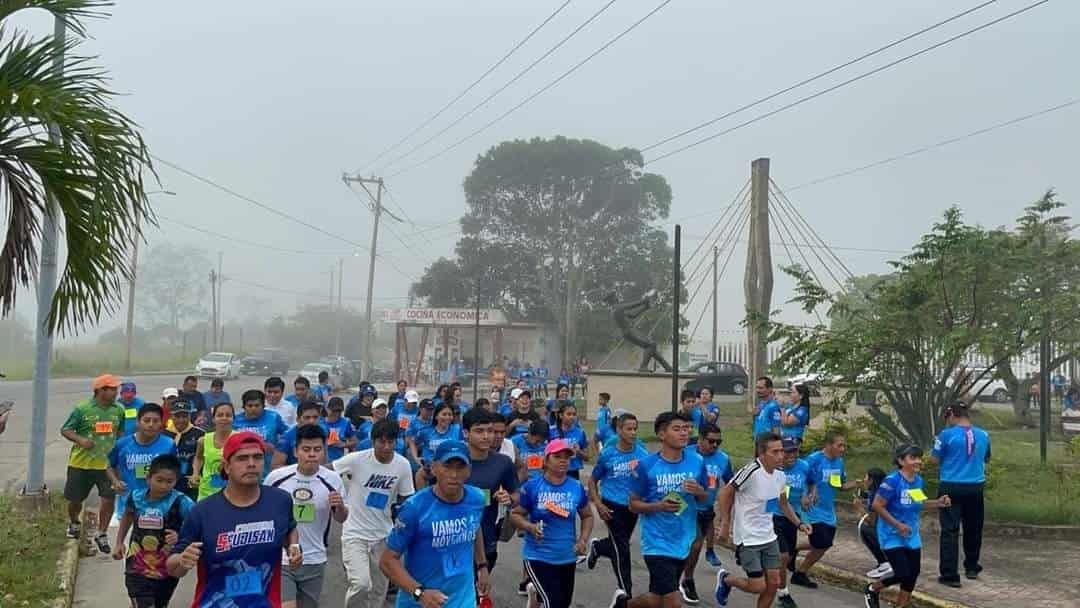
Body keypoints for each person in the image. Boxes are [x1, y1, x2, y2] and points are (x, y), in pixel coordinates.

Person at [167, 432, 302, 606]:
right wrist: (182, 560)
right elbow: (172, 568)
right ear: (226, 466)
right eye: (242, 458)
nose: (251, 464)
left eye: (258, 457)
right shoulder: (202, 512)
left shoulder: (280, 501)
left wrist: (294, 546)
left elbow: (290, 528)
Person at [608, 412, 708, 608]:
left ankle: (623, 605)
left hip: (684, 538)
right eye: (677, 429)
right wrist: (659, 506)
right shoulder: (646, 466)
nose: (684, 433)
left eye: (686, 428)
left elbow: (705, 497)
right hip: (656, 541)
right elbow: (633, 505)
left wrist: (699, 491)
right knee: (673, 601)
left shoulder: (697, 461)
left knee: (656, 599)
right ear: (662, 435)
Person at [379, 440, 491, 608]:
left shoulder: (477, 497)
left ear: (469, 471)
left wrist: (482, 566)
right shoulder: (414, 508)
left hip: (463, 599)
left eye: (460, 467)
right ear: (434, 468)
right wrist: (420, 593)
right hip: (420, 602)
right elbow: (387, 561)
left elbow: (475, 528)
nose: (454, 475)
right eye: (447, 466)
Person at [713, 432, 812, 607]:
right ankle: (726, 579)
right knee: (758, 586)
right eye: (775, 452)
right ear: (761, 453)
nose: (781, 456)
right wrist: (725, 523)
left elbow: (783, 504)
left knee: (773, 584)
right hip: (748, 537)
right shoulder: (751, 471)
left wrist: (799, 523)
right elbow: (725, 493)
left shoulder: (780, 475)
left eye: (782, 451)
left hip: (769, 536)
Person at [334, 418, 415, 608]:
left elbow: (407, 500)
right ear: (373, 441)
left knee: (379, 589)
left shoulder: (402, 465)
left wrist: (404, 531)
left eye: (391, 442)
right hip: (355, 533)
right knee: (362, 584)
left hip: (383, 535)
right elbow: (329, 471)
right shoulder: (357, 460)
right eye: (382, 441)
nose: (386, 447)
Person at [266, 424, 348, 608]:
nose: (312, 454)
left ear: (324, 451)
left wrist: (340, 506)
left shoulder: (333, 480)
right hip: (282, 558)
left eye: (317, 449)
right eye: (306, 449)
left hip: (315, 558)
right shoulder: (276, 478)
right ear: (296, 451)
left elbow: (341, 518)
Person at [863, 445, 952, 608]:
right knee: (902, 572)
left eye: (919, 457)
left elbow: (918, 503)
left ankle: (901, 605)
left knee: (913, 573)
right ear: (901, 461)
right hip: (891, 534)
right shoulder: (892, 481)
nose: (918, 461)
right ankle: (873, 588)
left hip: (911, 534)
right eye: (913, 458)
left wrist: (938, 503)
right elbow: (877, 505)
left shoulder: (918, 481)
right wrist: (897, 525)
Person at [511, 438, 594, 608]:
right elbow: (516, 515)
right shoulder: (532, 487)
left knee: (563, 603)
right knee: (553, 603)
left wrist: (583, 540)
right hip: (538, 556)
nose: (563, 460)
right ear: (546, 460)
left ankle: (536, 599)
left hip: (566, 557)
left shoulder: (576, 487)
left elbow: (587, 516)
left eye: (567, 457)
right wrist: (530, 527)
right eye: (557, 456)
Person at [111, 454, 195, 608]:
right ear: (148, 478)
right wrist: (119, 543)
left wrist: (180, 536)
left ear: (176, 481)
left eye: (169, 482)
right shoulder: (135, 497)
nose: (164, 486)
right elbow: (127, 516)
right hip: (136, 564)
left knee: (159, 604)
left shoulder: (182, 502)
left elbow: (196, 525)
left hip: (167, 567)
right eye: (159, 480)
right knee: (143, 602)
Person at [587, 412, 649, 597]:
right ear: (619, 430)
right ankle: (626, 591)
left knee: (618, 543)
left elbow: (648, 480)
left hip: (632, 505)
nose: (633, 433)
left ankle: (598, 548)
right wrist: (598, 504)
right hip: (611, 504)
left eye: (635, 429)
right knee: (622, 548)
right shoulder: (608, 454)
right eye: (629, 429)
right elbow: (592, 481)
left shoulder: (642, 453)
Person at [61, 374, 126, 548]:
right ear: (100, 390)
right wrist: (81, 440)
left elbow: (120, 432)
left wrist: (119, 453)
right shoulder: (82, 409)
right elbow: (66, 430)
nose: (116, 391)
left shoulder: (119, 409)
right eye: (112, 388)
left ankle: (102, 532)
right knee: (75, 500)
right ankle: (74, 522)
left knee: (108, 499)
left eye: (116, 388)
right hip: (81, 464)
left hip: (107, 466)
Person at [930, 400, 991, 587]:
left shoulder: (946, 435)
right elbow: (986, 457)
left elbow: (934, 460)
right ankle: (972, 566)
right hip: (975, 487)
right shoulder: (984, 434)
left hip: (951, 486)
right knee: (973, 527)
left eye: (947, 417)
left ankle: (950, 575)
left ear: (952, 415)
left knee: (950, 530)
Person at [792, 430, 859, 588]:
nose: (842, 449)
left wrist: (857, 483)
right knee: (822, 544)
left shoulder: (839, 462)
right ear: (828, 445)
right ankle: (800, 574)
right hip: (812, 510)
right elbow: (801, 479)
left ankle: (793, 550)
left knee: (823, 544)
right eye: (839, 445)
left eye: (844, 445)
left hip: (829, 511)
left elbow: (839, 485)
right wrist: (804, 496)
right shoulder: (813, 460)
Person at [462, 408, 519, 575]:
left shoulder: (503, 463)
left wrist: (509, 498)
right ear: (466, 433)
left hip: (487, 537)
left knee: (477, 591)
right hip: (453, 539)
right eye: (479, 431)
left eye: (490, 431)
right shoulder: (454, 460)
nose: (486, 436)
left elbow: (517, 493)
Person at [680, 423, 733, 603]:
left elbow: (731, 486)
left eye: (719, 442)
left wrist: (726, 518)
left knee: (692, 548)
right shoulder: (686, 453)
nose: (715, 445)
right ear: (700, 439)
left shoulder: (723, 459)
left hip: (706, 508)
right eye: (711, 441)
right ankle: (685, 580)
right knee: (694, 545)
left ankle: (684, 577)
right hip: (684, 508)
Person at [107, 403, 176, 521]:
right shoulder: (122, 444)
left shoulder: (169, 444)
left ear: (161, 423)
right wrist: (115, 481)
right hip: (128, 506)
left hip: (159, 507)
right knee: (126, 539)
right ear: (138, 422)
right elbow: (109, 465)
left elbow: (174, 471)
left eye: (155, 421)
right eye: (146, 420)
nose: (151, 425)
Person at [771, 438, 812, 608]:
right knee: (784, 556)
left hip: (792, 516)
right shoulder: (773, 469)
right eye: (788, 451)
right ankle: (783, 593)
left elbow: (811, 482)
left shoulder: (804, 466)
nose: (792, 455)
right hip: (772, 516)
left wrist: (807, 494)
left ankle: (773, 576)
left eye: (795, 451)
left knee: (785, 557)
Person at [234, 389, 288, 477]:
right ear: (244, 407)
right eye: (250, 406)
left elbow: (287, 435)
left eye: (257, 405)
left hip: (269, 471)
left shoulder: (273, 418)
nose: (253, 409)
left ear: (263, 406)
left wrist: (278, 449)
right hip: (244, 470)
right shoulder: (235, 421)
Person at [190, 401, 235, 501]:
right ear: (213, 419)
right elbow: (198, 458)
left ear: (233, 419)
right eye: (220, 415)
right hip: (206, 493)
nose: (224, 418)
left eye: (228, 415)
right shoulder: (203, 440)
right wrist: (196, 473)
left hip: (232, 492)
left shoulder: (239, 440)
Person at [413, 403, 462, 487]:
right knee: (419, 475)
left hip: (450, 467)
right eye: (444, 414)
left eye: (450, 415)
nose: (447, 417)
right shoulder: (426, 431)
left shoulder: (457, 429)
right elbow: (413, 442)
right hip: (430, 469)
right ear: (436, 416)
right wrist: (415, 457)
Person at [164, 400, 205, 501]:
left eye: (185, 416)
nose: (181, 420)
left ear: (190, 416)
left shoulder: (200, 434)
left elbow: (203, 458)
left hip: (191, 485)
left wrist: (198, 476)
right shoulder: (162, 435)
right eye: (177, 416)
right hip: (167, 484)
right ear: (171, 416)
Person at [855, 468, 891, 579]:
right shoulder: (879, 491)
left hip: (888, 530)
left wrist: (859, 508)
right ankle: (885, 562)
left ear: (871, 480)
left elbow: (872, 522)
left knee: (865, 528)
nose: (864, 480)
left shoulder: (876, 496)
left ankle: (886, 562)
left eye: (866, 478)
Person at [273, 401, 325, 468]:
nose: (311, 421)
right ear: (297, 419)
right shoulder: (286, 438)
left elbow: (323, 462)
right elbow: (275, 466)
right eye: (307, 417)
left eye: (315, 417)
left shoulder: (322, 433)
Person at [548, 401, 589, 479]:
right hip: (554, 471)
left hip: (572, 472)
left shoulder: (580, 432)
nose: (572, 417)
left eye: (574, 414)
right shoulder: (551, 431)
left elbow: (587, 457)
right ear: (560, 415)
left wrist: (578, 451)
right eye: (569, 414)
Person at [324, 396, 357, 461]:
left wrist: (344, 444)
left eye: (339, 411)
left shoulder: (345, 422)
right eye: (334, 410)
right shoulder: (319, 422)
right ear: (327, 409)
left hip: (337, 462)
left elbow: (355, 442)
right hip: (320, 462)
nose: (336, 413)